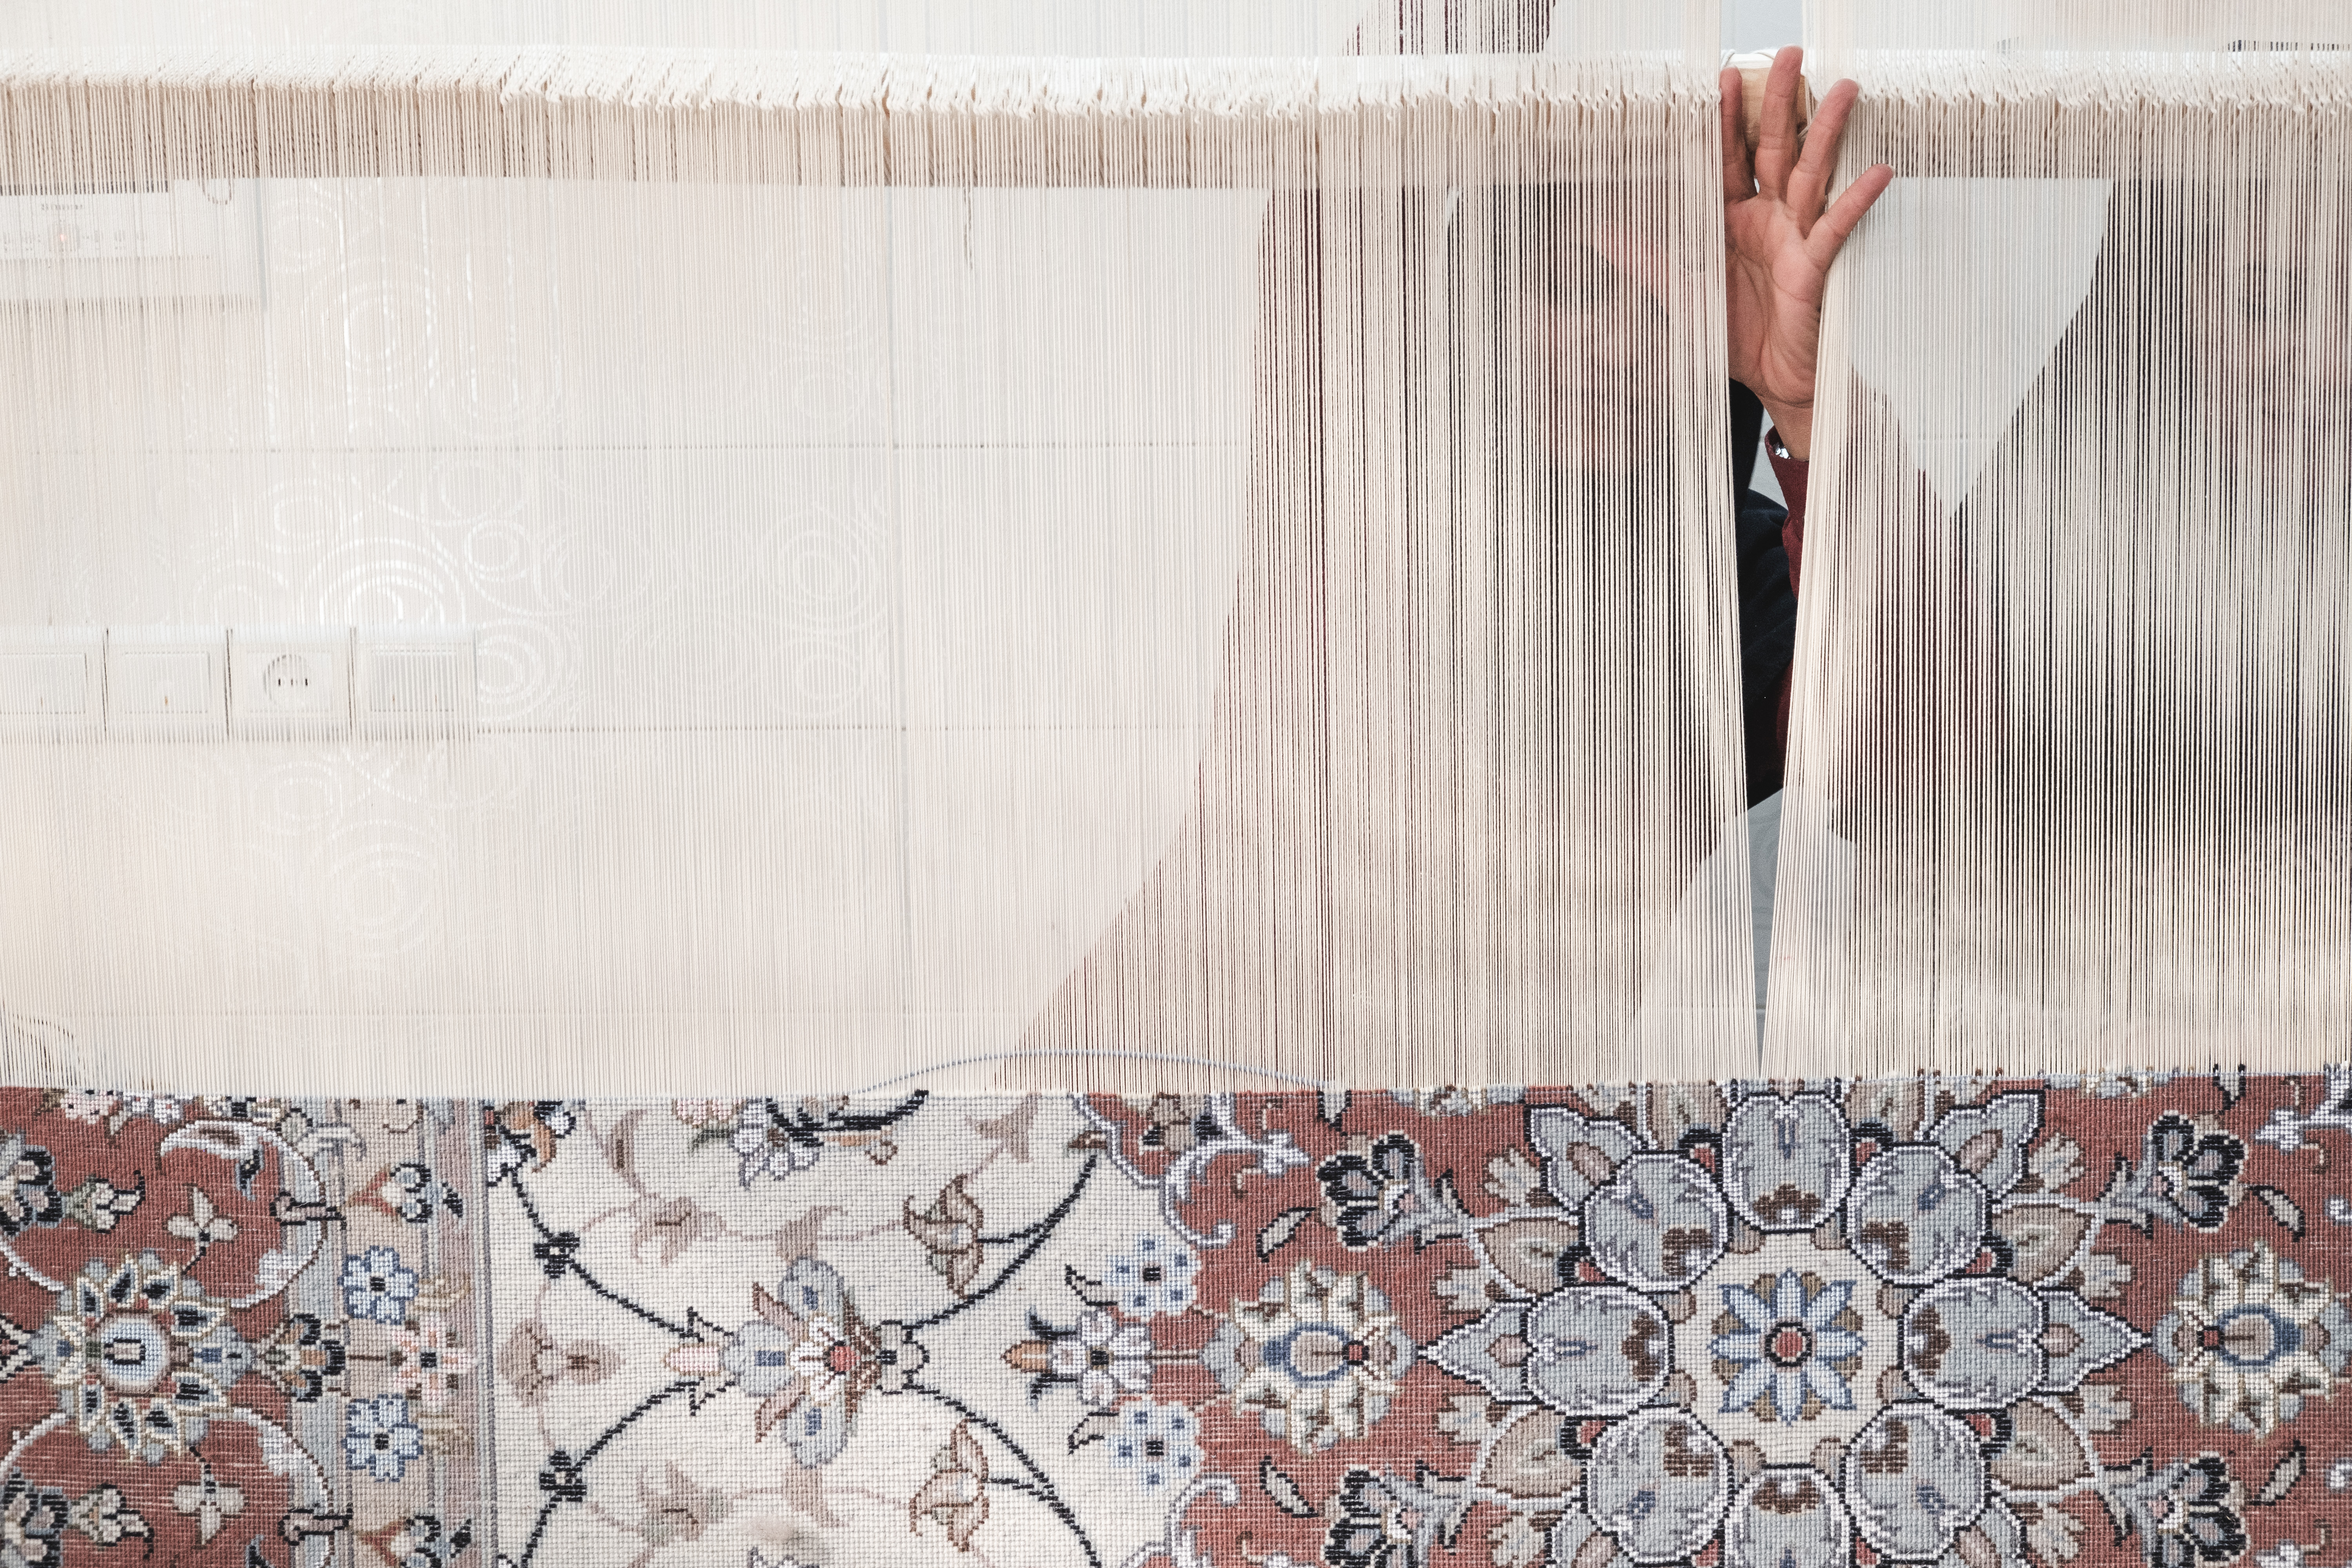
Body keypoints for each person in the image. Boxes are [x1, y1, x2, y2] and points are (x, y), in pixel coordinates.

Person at [1719, 47, 1892, 800]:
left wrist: (1809, 406)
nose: (1619, 342)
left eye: (1654, 294)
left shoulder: (1742, 586)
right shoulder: (1372, 550)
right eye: (1573, 290)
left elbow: (1900, 766)